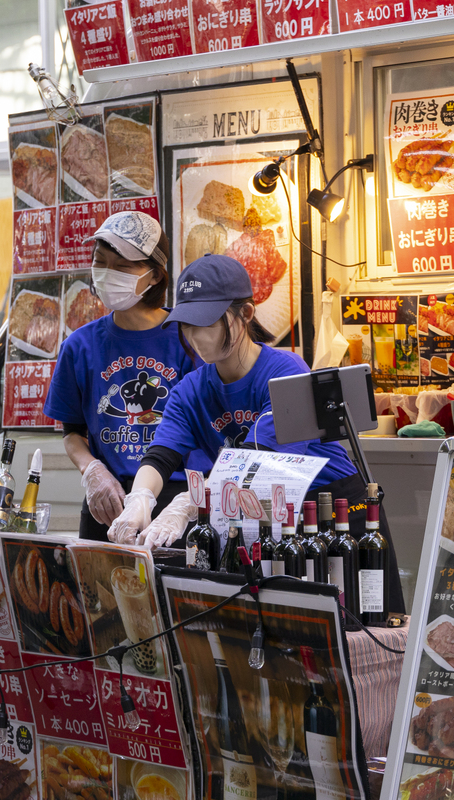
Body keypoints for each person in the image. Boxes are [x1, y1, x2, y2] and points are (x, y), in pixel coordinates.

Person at [109, 255, 405, 613]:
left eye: (206, 323)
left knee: (365, 621)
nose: (195, 336)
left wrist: (188, 502)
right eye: (186, 324)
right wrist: (139, 499)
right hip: (267, 516)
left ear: (246, 314)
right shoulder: (190, 390)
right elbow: (161, 456)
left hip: (336, 508)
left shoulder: (286, 371)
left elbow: (258, 460)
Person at [43, 211, 205, 540]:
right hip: (108, 503)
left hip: (172, 505)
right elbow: (72, 433)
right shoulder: (79, 346)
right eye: (100, 262)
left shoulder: (190, 339)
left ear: (155, 275)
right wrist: (92, 471)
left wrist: (186, 505)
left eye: (122, 266)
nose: (106, 274)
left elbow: (206, 433)